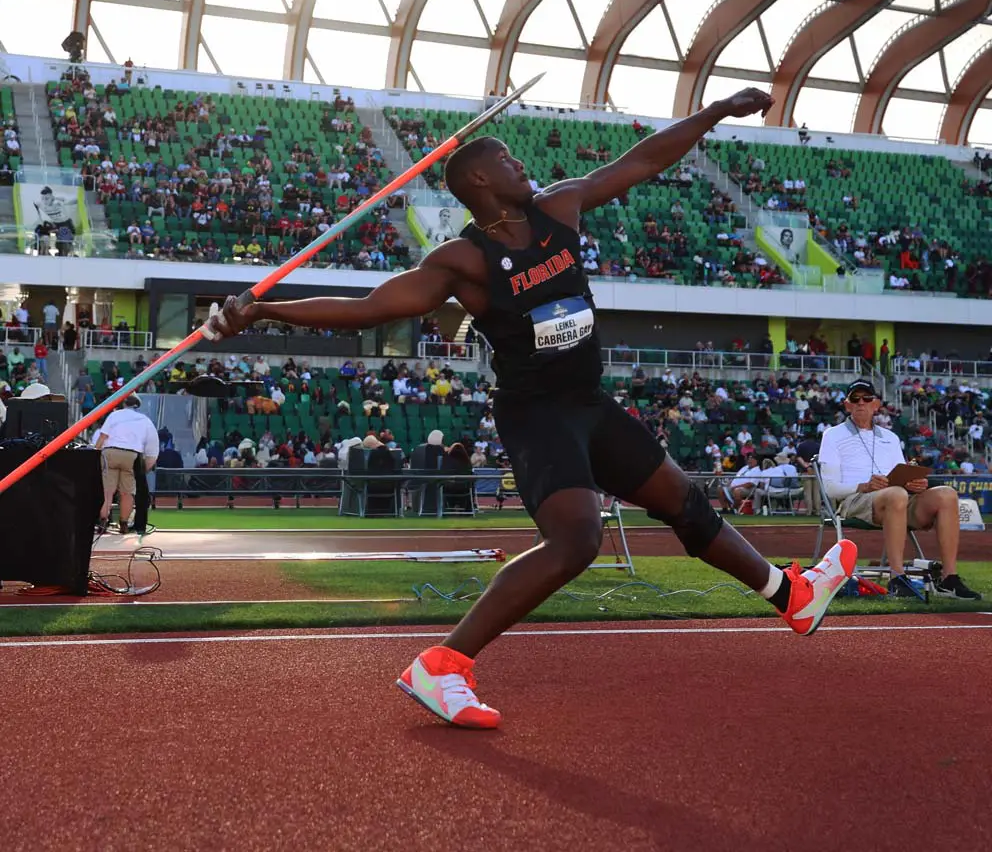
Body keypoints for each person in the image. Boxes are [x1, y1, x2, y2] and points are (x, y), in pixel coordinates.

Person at [204, 87, 857, 730]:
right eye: (510, 160)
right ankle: (444, 663)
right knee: (577, 538)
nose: (524, 166)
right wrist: (263, 308)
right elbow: (367, 310)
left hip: (589, 402)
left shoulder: (561, 207)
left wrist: (710, 114)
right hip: (537, 412)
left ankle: (789, 594)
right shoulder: (464, 261)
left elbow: (643, 161)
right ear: (482, 178)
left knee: (684, 502)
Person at [818, 380, 980, 600]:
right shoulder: (833, 435)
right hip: (855, 500)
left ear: (875, 404)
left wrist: (914, 484)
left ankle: (949, 578)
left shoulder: (891, 438)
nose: (861, 403)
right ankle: (897, 577)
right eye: (855, 399)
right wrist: (864, 486)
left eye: (866, 398)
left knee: (946, 494)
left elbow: (901, 476)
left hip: (897, 498)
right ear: (847, 405)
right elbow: (829, 489)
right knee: (896, 494)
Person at [93, 394, 160, 533]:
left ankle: (103, 522)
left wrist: (94, 453)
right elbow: (152, 449)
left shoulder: (115, 415)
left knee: (107, 492)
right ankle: (123, 524)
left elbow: (103, 436)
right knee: (127, 492)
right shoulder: (145, 420)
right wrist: (144, 469)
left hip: (110, 452)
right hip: (131, 455)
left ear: (123, 404)